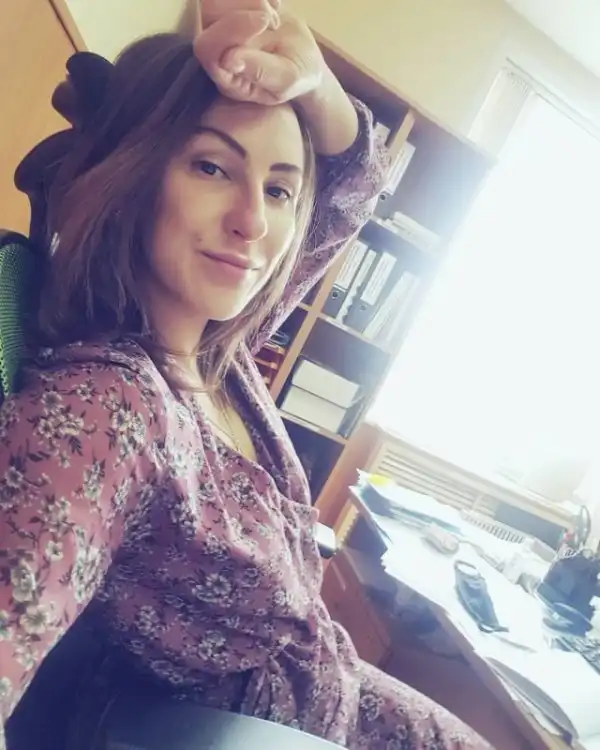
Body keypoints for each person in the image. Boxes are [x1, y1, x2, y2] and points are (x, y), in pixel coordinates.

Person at [0, 2, 492, 748]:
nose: (254, 222)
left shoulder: (219, 349)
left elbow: (355, 182)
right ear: (134, 174)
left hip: (337, 689)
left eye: (279, 189)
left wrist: (312, 76)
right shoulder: (109, 409)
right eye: (212, 166)